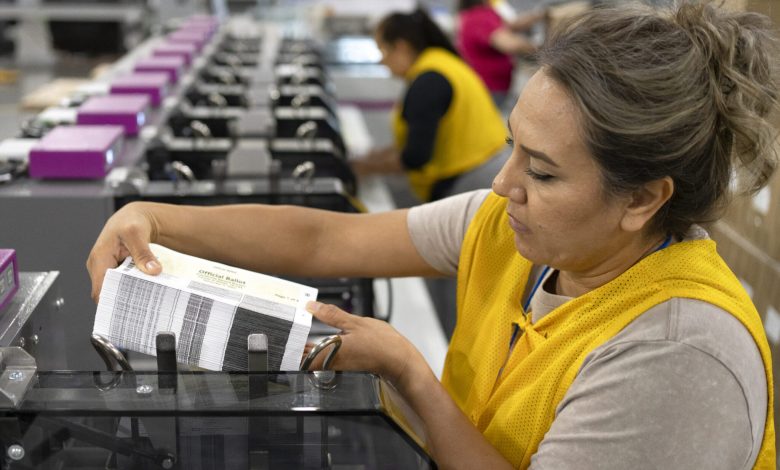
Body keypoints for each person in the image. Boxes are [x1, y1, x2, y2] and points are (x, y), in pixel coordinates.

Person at [87, 2, 777, 468]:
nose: (504, 184)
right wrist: (159, 218)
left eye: (541, 171)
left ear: (642, 200)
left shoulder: (677, 356)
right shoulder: (513, 229)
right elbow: (323, 242)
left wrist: (408, 372)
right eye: (512, 149)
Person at [353, 8, 509, 203]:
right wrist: (374, 157)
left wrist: (364, 167)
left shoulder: (429, 81)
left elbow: (415, 156)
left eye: (383, 50)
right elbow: (419, 137)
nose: (382, 60)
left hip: (472, 181)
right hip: (489, 165)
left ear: (401, 47)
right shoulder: (440, 63)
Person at [457, 0, 545, 108]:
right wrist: (542, 48)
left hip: (493, 87)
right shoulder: (478, 18)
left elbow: (511, 25)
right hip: (489, 89)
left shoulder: (485, 13)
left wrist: (539, 15)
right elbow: (509, 44)